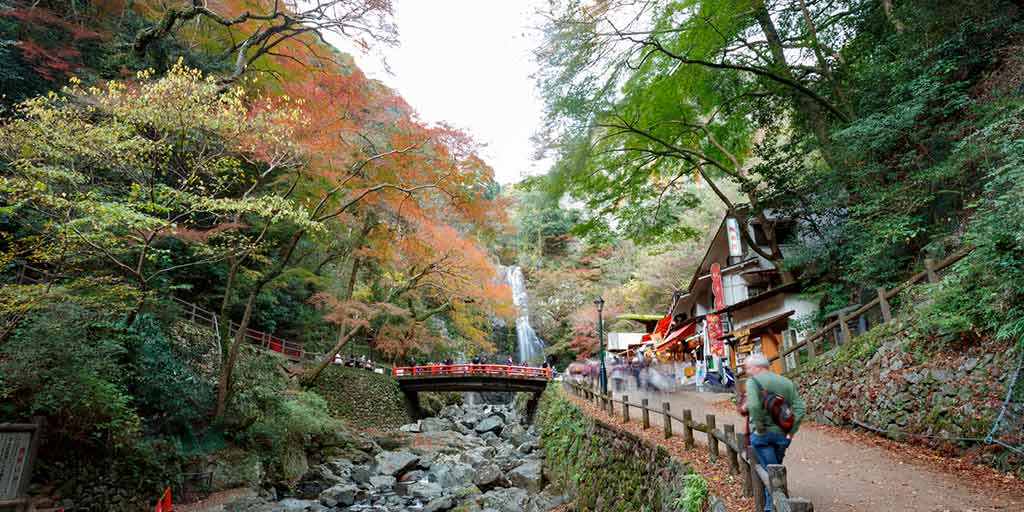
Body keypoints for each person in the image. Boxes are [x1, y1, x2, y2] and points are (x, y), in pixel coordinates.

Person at [740, 353, 806, 512]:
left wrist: (760, 428)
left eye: (749, 368)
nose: (748, 371)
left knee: (771, 472)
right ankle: (776, 503)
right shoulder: (786, 382)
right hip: (782, 435)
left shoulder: (753, 382)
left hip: (763, 436)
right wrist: (791, 431)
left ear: (758, 367)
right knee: (776, 470)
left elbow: (754, 406)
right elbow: (800, 408)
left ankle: (772, 507)